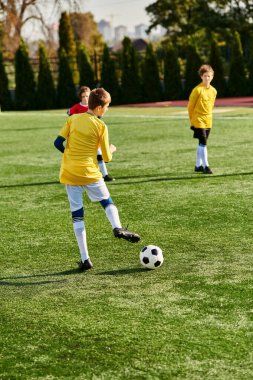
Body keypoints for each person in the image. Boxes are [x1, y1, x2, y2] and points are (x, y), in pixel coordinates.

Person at [54, 88, 140, 271]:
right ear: (100, 108)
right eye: (107, 106)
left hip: (69, 172)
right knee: (107, 202)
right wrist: (112, 148)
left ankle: (85, 259)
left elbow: (57, 143)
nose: (107, 109)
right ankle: (117, 227)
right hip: (90, 172)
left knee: (77, 215)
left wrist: (69, 155)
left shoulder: (72, 119)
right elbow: (107, 157)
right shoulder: (101, 126)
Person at [68, 86, 115, 182]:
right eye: (83, 96)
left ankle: (105, 174)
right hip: (82, 136)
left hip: (92, 135)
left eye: (87, 96)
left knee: (98, 155)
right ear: (80, 97)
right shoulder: (78, 107)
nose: (86, 98)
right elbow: (69, 113)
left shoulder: (94, 108)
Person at [188, 64, 217, 174]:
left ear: (212, 77)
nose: (207, 78)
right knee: (203, 142)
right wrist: (192, 121)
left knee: (202, 142)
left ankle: (197, 165)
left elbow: (211, 105)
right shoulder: (197, 90)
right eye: (205, 76)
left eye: (209, 76)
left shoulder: (214, 91)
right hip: (198, 119)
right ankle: (206, 166)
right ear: (201, 76)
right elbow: (190, 107)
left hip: (208, 120)